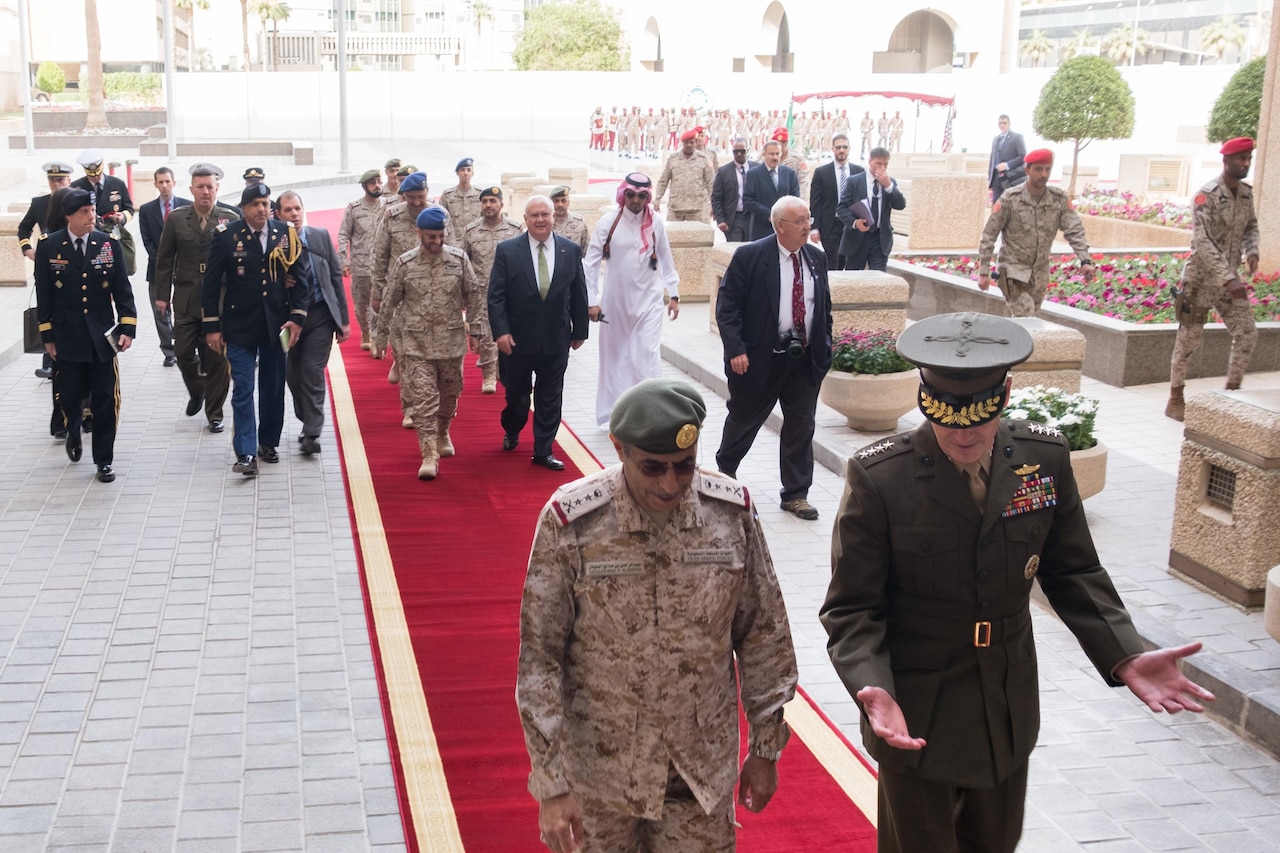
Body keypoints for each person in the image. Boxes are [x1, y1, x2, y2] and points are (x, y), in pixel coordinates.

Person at [820, 312, 1215, 853]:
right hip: (913, 706)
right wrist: (872, 685)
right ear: (924, 397)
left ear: (1005, 394)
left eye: (979, 418)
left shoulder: (1042, 457)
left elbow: (1072, 569)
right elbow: (852, 609)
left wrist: (1123, 654)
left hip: (1004, 703)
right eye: (947, 418)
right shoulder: (881, 477)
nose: (964, 434)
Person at [516, 378, 798, 853]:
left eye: (683, 467)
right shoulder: (572, 522)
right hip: (602, 776)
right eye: (652, 468)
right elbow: (540, 657)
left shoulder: (730, 515)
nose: (670, 484)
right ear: (619, 448)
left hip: (699, 773)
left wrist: (765, 749)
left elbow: (763, 635)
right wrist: (551, 782)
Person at [715, 196, 833, 521]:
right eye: (800, 221)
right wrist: (736, 349)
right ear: (780, 225)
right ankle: (725, 475)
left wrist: (825, 347)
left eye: (808, 219)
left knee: (800, 426)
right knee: (744, 420)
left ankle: (796, 494)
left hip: (803, 361)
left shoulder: (816, 259)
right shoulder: (750, 257)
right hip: (757, 359)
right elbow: (728, 307)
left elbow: (824, 308)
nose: (807, 226)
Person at [202, 183, 308, 476]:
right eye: (255, 204)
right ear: (244, 208)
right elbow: (210, 285)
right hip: (239, 325)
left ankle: (269, 442)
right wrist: (212, 326)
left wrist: (297, 318)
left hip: (276, 325)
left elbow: (301, 279)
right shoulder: (227, 237)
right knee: (244, 388)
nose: (261, 209)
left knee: (273, 387)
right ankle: (246, 452)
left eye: (265, 203)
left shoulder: (284, 234)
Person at [34, 188, 137, 484]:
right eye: (84, 212)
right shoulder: (50, 246)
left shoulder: (108, 244)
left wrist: (127, 328)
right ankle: (73, 430)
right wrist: (48, 336)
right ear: (69, 215)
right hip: (67, 337)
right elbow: (45, 295)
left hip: (102, 338)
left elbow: (122, 290)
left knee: (106, 399)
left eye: (92, 211)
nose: (91, 217)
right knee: (69, 396)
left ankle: (104, 460)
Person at [378, 207, 487, 480]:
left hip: (450, 343)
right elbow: (389, 301)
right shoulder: (405, 264)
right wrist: (380, 336)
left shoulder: (459, 260)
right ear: (419, 234)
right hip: (416, 345)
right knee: (424, 400)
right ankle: (429, 453)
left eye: (440, 236)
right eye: (430, 237)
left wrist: (476, 330)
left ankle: (442, 432)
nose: (436, 242)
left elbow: (473, 297)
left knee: (450, 392)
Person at [487, 196, 589, 472]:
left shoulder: (570, 250)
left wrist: (580, 330)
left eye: (545, 214)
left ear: (554, 217)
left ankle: (543, 450)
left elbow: (578, 292)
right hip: (517, 342)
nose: (541, 220)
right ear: (526, 219)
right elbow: (496, 296)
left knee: (550, 397)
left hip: (556, 341)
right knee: (517, 397)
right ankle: (512, 427)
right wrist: (501, 332)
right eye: (534, 215)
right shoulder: (508, 251)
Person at [1165, 137, 1260, 421]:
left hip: (1228, 282)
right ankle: (1175, 397)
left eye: (1248, 158)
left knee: (1247, 332)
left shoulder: (1246, 194)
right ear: (1226, 160)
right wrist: (1228, 277)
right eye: (1240, 158)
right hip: (1201, 281)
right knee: (1189, 341)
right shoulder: (1205, 196)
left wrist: (1252, 250)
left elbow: (1251, 226)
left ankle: (1232, 392)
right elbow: (1202, 242)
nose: (1245, 163)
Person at [584, 173, 680, 426]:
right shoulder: (608, 222)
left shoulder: (656, 222)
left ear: (647, 196)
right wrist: (591, 300)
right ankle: (616, 414)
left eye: (641, 196)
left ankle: (651, 413)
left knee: (646, 355)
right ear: (623, 194)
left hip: (649, 301)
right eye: (631, 194)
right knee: (614, 359)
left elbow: (666, 259)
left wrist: (674, 294)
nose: (636, 200)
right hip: (614, 303)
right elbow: (591, 263)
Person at [154, 163, 239, 434]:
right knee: (182, 352)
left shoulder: (230, 218)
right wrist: (161, 296)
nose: (205, 192)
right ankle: (198, 389)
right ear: (191, 189)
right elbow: (165, 259)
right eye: (200, 187)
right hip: (187, 296)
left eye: (210, 187)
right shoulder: (178, 219)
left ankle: (214, 413)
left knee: (217, 360)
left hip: (221, 299)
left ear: (217, 189)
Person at [976, 148, 1094, 318]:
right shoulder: (1011, 198)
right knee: (1027, 317)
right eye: (1038, 169)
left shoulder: (1058, 199)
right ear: (1027, 170)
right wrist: (984, 272)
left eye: (1047, 169)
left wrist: (1085, 260)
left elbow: (1074, 229)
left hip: (1039, 274)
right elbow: (989, 235)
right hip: (1013, 272)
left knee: (1030, 323)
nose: (1043, 174)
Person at [277, 191, 350, 457]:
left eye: (297, 208)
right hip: (288, 321)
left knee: (311, 370)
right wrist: (279, 281)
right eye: (288, 210)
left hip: (320, 316)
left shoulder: (318, 236)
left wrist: (343, 320)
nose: (294, 214)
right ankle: (306, 416)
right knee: (293, 375)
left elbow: (334, 276)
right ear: (278, 215)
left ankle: (312, 431)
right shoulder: (276, 244)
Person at [371, 171, 433, 417]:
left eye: (421, 196)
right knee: (408, 354)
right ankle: (410, 408)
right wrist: (378, 293)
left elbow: (454, 251)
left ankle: (431, 405)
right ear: (403, 196)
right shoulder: (392, 216)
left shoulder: (439, 216)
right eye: (411, 197)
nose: (417, 202)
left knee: (429, 355)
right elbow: (380, 255)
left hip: (433, 295)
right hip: (401, 297)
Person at [463, 186, 524, 395]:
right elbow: (464, 262)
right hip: (481, 291)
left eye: (492, 201)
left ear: (501, 204)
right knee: (487, 335)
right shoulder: (471, 231)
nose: (488, 205)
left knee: (507, 332)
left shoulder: (515, 230)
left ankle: (502, 369)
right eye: (485, 201)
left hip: (509, 292)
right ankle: (488, 373)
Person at [19, 160, 74, 381]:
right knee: (47, 311)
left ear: (69, 180)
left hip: (72, 267)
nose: (56, 184)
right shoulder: (39, 203)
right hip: (46, 265)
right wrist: (27, 248)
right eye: (52, 180)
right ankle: (49, 362)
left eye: (60, 180)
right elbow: (24, 227)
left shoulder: (78, 201)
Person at [138, 167, 190, 367]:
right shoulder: (147, 210)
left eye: (168, 181)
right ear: (155, 184)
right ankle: (168, 350)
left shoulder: (186, 206)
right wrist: (163, 262)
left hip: (184, 268)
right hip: (157, 270)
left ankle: (184, 345)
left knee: (183, 307)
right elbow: (147, 241)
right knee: (160, 309)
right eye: (160, 182)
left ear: (174, 182)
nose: (164, 186)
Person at [337, 169, 386, 350]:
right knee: (361, 304)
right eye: (373, 183)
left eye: (379, 181)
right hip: (361, 266)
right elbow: (343, 234)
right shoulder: (354, 208)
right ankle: (366, 333)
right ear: (365, 186)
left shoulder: (388, 207)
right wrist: (344, 261)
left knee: (380, 303)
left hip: (382, 267)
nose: (377, 185)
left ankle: (376, 337)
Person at [836, 146, 906, 272]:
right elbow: (841, 209)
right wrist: (855, 223)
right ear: (870, 162)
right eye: (878, 163)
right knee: (853, 278)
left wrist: (888, 186)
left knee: (878, 279)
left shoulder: (890, 183)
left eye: (885, 164)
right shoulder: (854, 181)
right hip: (858, 237)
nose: (882, 168)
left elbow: (900, 205)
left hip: (880, 239)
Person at [72, 148, 137, 275]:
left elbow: (129, 208)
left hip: (113, 236)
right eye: (92, 175)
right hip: (88, 239)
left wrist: (122, 217)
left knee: (116, 274)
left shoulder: (117, 184)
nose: (96, 177)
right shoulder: (76, 188)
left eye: (98, 173)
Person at [809, 134, 865, 270]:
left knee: (848, 263)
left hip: (852, 224)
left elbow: (863, 200)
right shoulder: (822, 172)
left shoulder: (859, 171)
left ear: (849, 149)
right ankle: (831, 290)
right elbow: (815, 201)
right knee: (831, 264)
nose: (841, 150)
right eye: (838, 147)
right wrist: (814, 227)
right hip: (830, 225)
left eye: (844, 147)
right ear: (832, 149)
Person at [742, 140, 800, 242]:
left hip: (785, 228)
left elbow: (795, 197)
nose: (774, 157)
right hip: (761, 228)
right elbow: (748, 200)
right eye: (771, 154)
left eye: (777, 154)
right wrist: (769, 215)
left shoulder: (789, 174)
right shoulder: (754, 174)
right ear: (764, 154)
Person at [653, 129, 714, 223]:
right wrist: (657, 200)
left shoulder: (703, 159)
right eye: (686, 142)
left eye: (691, 142)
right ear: (682, 143)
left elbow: (711, 183)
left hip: (696, 208)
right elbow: (663, 181)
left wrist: (713, 205)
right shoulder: (673, 159)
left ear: (695, 143)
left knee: (698, 236)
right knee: (672, 236)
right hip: (675, 208)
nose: (689, 145)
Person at [711, 138, 753, 243]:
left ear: (748, 150)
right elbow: (716, 197)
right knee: (735, 251)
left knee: (753, 251)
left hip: (753, 217)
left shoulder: (757, 169)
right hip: (733, 219)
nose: (739, 154)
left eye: (742, 151)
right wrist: (720, 220)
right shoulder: (723, 171)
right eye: (735, 152)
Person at [439, 157, 481, 247]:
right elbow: (440, 217)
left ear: (472, 173)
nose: (465, 173)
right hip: (454, 242)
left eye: (469, 170)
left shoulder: (480, 194)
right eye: (462, 170)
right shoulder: (447, 195)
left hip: (475, 241)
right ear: (457, 173)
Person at [988, 114, 1027, 204]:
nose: (1002, 125)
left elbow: (1023, 156)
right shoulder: (996, 139)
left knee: (1010, 204)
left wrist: (1007, 165)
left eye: (1004, 123)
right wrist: (990, 178)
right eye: (1000, 123)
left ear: (1009, 124)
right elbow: (992, 159)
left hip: (1010, 178)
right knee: (996, 205)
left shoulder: (1016, 137)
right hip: (996, 179)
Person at [550, 186, 589, 254]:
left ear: (568, 202)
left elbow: (587, 248)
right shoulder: (545, 223)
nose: (560, 204)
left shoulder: (578, 222)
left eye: (563, 201)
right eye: (556, 201)